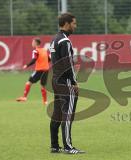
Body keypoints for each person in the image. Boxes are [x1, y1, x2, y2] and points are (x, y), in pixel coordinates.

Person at [49, 12, 85, 154]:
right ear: (67, 24)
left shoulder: (54, 40)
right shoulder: (65, 41)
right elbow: (68, 63)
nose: (75, 26)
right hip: (65, 82)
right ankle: (68, 147)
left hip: (56, 80)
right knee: (67, 115)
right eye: (74, 23)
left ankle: (54, 146)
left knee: (57, 114)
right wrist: (74, 82)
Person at [16, 38, 49, 105]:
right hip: (46, 70)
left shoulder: (36, 51)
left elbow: (34, 59)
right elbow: (49, 59)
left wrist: (26, 65)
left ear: (35, 43)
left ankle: (24, 97)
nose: (32, 43)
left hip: (39, 70)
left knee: (29, 82)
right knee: (43, 86)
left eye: (33, 42)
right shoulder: (44, 50)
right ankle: (45, 102)